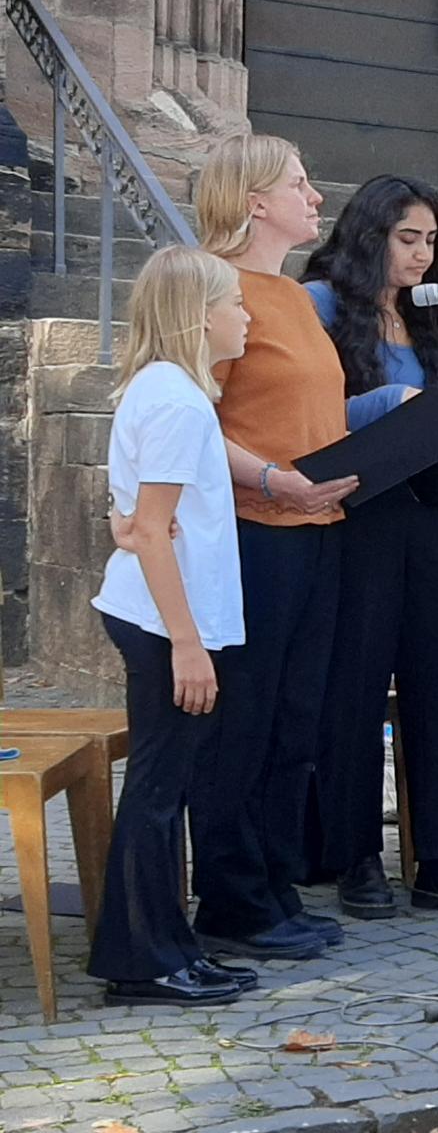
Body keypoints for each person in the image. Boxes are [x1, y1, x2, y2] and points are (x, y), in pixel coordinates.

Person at [300, 176, 438, 920]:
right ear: (369, 236)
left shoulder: (431, 315)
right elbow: (305, 414)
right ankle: (355, 856)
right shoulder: (322, 304)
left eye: (431, 241)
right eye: (407, 239)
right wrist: (389, 406)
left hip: (429, 511)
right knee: (353, 687)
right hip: (355, 514)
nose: (423, 255)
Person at [191, 135, 358, 961]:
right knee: (246, 721)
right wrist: (272, 479)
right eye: (300, 183)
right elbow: (189, 420)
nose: (315, 197)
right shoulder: (213, 288)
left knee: (297, 721)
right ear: (255, 200)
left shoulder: (296, 296)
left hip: (317, 528)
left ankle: (275, 885)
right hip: (255, 534)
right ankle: (230, 899)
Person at [89, 249, 261, 1005]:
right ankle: (141, 959)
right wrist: (188, 644)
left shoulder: (173, 393)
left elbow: (132, 516)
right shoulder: (177, 402)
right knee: (158, 790)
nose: (246, 315)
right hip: (164, 623)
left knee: (168, 786)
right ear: (200, 317)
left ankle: (170, 944)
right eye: (235, 303)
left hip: (171, 614)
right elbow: (151, 531)